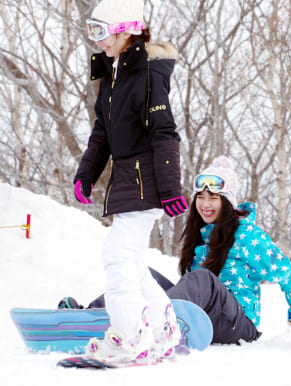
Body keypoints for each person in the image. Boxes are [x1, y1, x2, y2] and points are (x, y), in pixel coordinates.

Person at [69, 156, 291, 344]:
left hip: (239, 325)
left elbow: (286, 271)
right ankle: (91, 316)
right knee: (142, 273)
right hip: (208, 317)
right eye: (201, 197)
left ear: (227, 202)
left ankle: (162, 320)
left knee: (202, 279)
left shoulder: (246, 235)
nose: (205, 204)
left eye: (214, 198)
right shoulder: (198, 233)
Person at [73, 0, 187, 363]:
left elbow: (165, 132)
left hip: (145, 180)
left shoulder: (148, 74)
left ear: (127, 30)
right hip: (127, 180)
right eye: (93, 32)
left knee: (117, 255)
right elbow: (102, 134)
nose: (98, 41)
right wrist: (86, 173)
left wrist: (170, 189)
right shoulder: (113, 75)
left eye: (102, 32)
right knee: (133, 262)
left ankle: (129, 337)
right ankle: (163, 330)